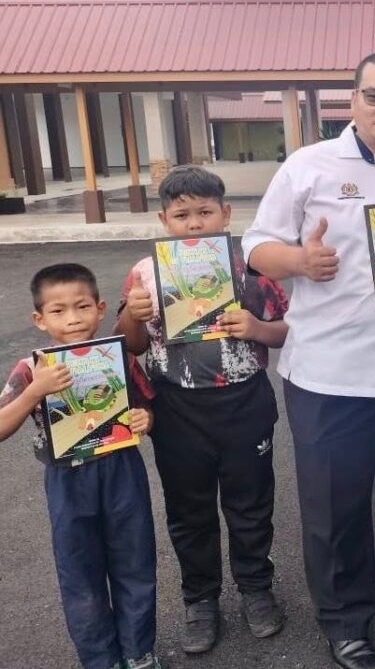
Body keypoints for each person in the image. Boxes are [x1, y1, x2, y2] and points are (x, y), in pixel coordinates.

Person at [242, 51, 375, 669]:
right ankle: (344, 617)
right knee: (336, 505)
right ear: (353, 101)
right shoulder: (309, 167)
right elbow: (256, 244)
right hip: (331, 374)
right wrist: (298, 263)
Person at [115, 166, 289, 654]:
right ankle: (200, 598)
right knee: (189, 510)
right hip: (176, 407)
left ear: (226, 213)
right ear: (164, 219)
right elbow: (129, 345)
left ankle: (256, 587)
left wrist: (256, 328)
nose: (195, 224)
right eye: (182, 214)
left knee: (251, 504)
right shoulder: (145, 274)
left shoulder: (252, 267)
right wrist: (134, 311)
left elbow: (287, 330)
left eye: (205, 212)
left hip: (244, 402)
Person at [0, 264, 159, 669]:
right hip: (68, 479)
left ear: (100, 308)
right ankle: (100, 659)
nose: (72, 319)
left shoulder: (116, 355)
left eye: (82, 306)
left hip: (122, 471)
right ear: (39, 319)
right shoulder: (30, 368)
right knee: (81, 575)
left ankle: (138, 651)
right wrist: (36, 389)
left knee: (135, 564)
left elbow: (145, 407)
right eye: (57, 311)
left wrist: (145, 420)